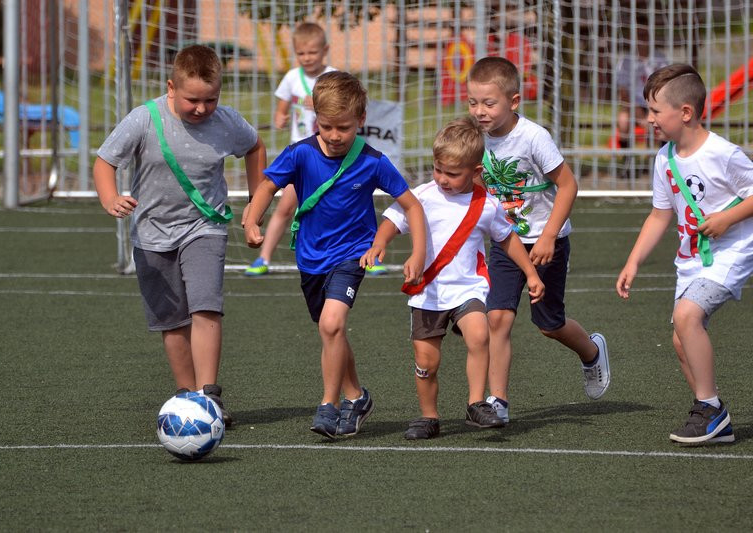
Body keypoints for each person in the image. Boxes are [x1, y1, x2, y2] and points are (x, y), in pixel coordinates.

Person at [245, 71, 426, 438]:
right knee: (331, 332)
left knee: (331, 324)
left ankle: (328, 405)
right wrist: (252, 219)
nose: (333, 135)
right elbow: (267, 185)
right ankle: (356, 396)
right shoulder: (301, 152)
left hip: (352, 255)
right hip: (310, 259)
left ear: (361, 120)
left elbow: (413, 205)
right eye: (325, 126)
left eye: (343, 127)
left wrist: (417, 252)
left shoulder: (373, 161)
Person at [94, 45, 266, 427]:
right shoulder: (144, 119)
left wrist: (255, 206)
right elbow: (105, 161)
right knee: (170, 320)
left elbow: (255, 147)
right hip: (152, 233)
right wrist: (110, 197)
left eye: (211, 99)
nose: (203, 109)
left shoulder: (226, 122)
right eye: (193, 100)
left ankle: (208, 396)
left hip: (204, 226)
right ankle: (186, 396)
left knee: (206, 306)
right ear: (171, 87)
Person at [362, 116, 544, 439]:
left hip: (468, 289)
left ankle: (476, 404)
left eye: (452, 173)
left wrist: (530, 272)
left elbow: (508, 238)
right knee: (426, 362)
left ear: (475, 172)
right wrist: (380, 243)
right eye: (438, 169)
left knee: (479, 334)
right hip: (428, 294)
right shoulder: (423, 196)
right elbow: (392, 219)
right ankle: (428, 416)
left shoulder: (485, 204)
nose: (443, 179)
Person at [466, 57, 610, 425]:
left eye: (489, 103)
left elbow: (568, 185)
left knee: (549, 324)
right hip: (506, 242)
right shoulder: (475, 138)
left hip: (547, 242)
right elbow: (481, 189)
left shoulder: (533, 137)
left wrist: (547, 236)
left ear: (513, 102)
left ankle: (592, 351)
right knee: (497, 317)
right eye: (473, 102)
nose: (480, 111)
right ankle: (498, 401)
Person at [616, 63, 753, 445]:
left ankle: (708, 408)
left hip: (730, 254)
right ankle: (713, 413)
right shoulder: (665, 158)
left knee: (686, 316)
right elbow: (660, 215)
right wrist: (633, 261)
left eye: (656, 111)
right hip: (689, 260)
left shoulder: (723, 154)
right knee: (681, 337)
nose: (648, 119)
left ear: (686, 113)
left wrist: (726, 218)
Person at [245, 22, 338, 276]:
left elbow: (344, 106)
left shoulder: (333, 76)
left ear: (325, 50)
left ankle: (366, 255)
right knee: (285, 207)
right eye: (301, 53)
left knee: (343, 207)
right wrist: (280, 117)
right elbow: (282, 108)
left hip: (331, 156)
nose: (307, 58)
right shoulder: (292, 78)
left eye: (312, 52)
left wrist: (320, 101)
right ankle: (263, 258)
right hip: (303, 156)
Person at [611, 26, 668, 149]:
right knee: (623, 121)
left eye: (645, 35)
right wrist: (640, 116)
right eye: (639, 35)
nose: (642, 39)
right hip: (633, 106)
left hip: (656, 104)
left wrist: (653, 112)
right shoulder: (625, 62)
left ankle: (657, 159)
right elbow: (623, 94)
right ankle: (627, 162)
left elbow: (666, 88)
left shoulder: (660, 59)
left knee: (662, 122)